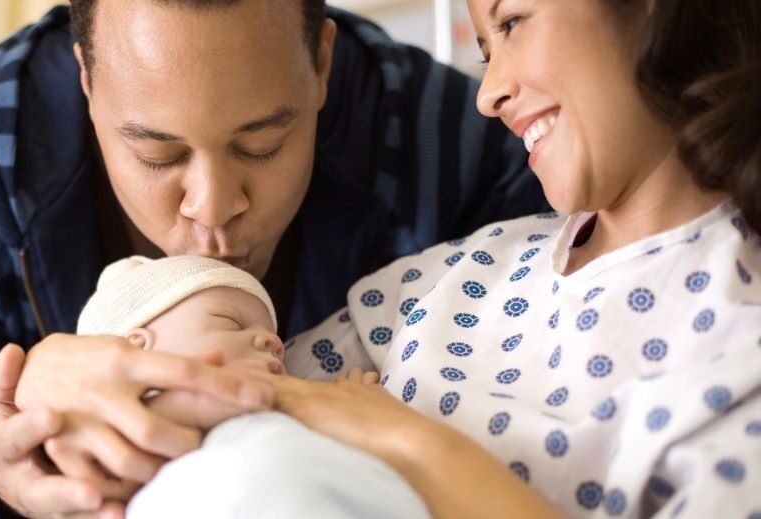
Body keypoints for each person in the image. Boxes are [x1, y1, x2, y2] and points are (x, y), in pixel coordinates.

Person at [0, 0, 546, 517]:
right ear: (85, 77)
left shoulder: (449, 138)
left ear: (322, 62)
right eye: (157, 153)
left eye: (261, 144)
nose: (213, 206)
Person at [131, 0, 761, 517]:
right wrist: (64, 370)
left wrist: (408, 443)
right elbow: (208, 400)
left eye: (511, 22)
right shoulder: (454, 275)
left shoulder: (740, 336)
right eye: (485, 50)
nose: (489, 94)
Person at [54, 254, 432, 519]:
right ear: (136, 347)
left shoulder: (295, 405)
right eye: (232, 322)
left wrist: (358, 412)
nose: (272, 343)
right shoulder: (120, 434)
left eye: (271, 334)